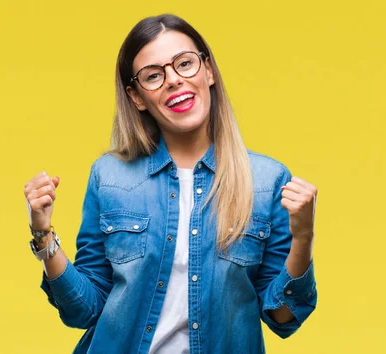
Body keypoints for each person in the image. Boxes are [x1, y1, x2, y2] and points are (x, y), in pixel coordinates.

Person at [23, 13, 318, 354]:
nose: (174, 80)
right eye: (153, 75)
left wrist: (304, 237)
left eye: (185, 63)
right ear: (136, 97)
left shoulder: (266, 182)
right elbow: (83, 310)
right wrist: (42, 234)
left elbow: (283, 316)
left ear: (208, 70)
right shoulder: (110, 177)